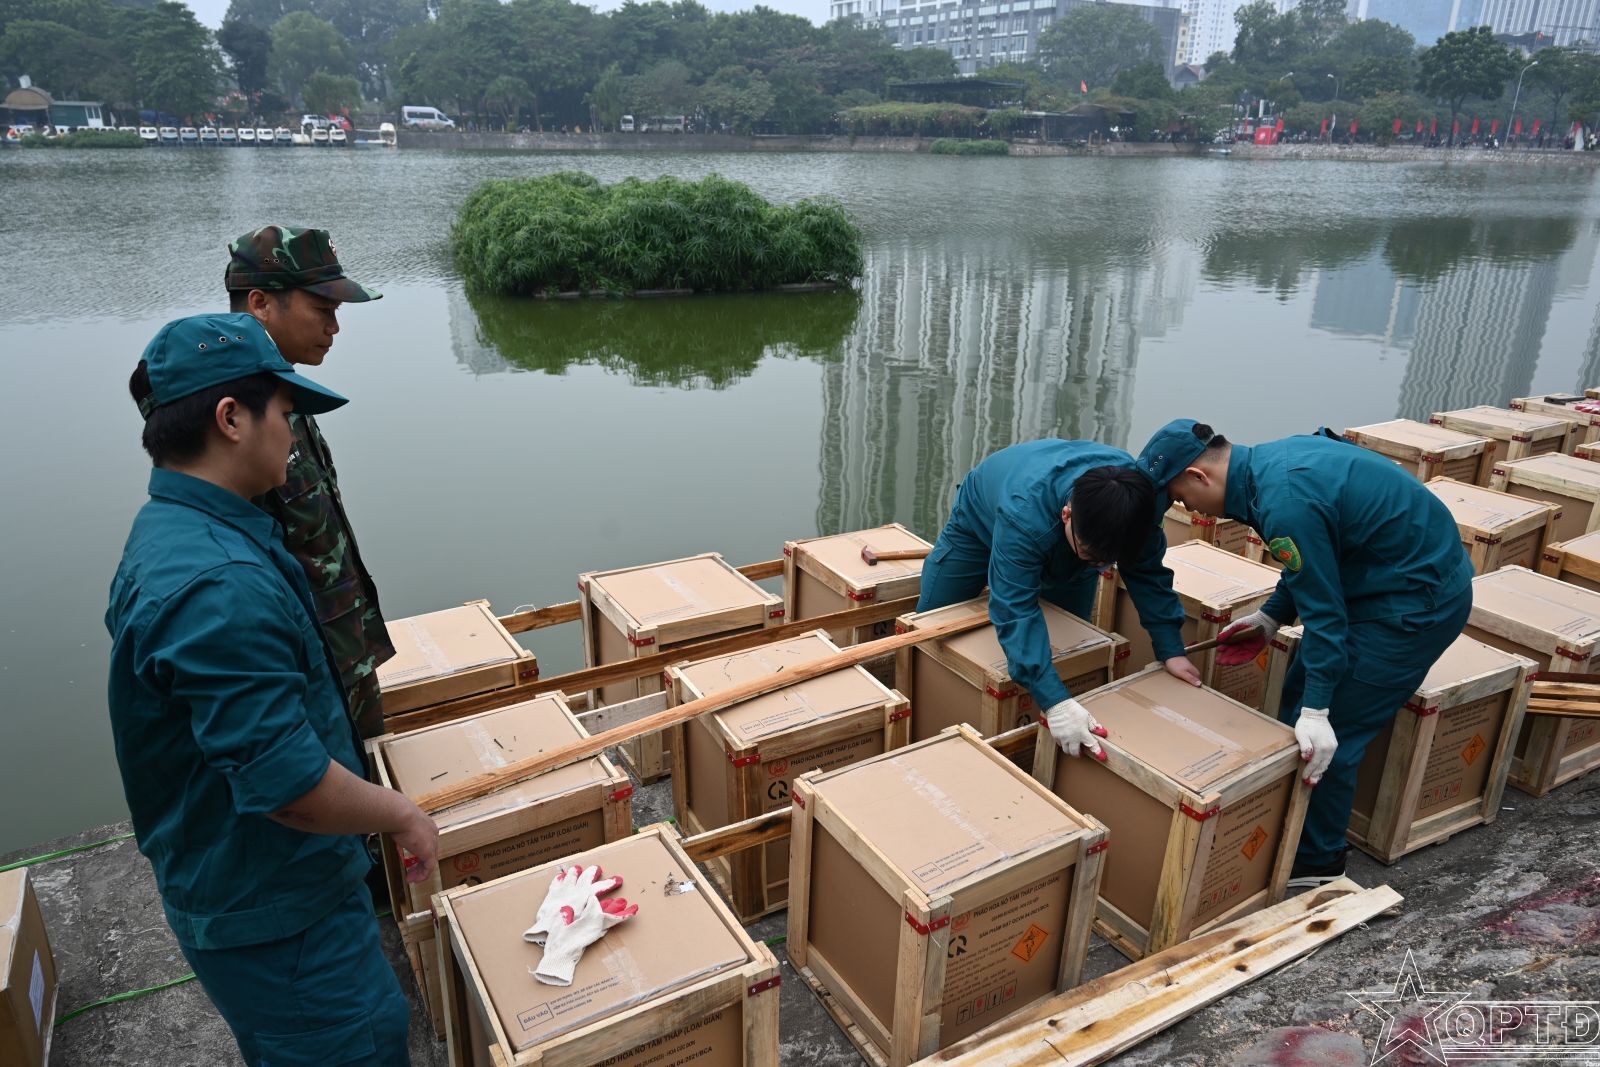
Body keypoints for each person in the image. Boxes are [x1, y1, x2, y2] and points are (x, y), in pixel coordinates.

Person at [107, 313, 436, 1066]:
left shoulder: (176, 531)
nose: (294, 435)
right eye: (286, 414)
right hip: (279, 912)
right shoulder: (218, 585)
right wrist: (401, 814)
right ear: (231, 419)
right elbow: (288, 785)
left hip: (258, 884)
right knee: (353, 1044)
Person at [1136, 420, 1472, 891]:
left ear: (1198, 476)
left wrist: (1318, 712)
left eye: (1179, 496)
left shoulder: (1284, 502)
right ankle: (1298, 826)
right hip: (1382, 580)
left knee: (1327, 739)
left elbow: (1326, 617)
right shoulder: (1270, 466)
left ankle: (1318, 864)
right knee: (1298, 700)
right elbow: (1315, 560)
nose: (1187, 508)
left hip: (1413, 606)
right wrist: (1270, 618)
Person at [917, 439, 1201, 761]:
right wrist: (1055, 703)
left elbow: (1148, 575)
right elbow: (1015, 609)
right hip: (982, 514)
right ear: (1067, 514)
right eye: (1092, 555)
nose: (1100, 566)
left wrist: (1171, 649)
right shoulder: (1024, 516)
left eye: (1108, 561)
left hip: (1070, 535)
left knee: (1070, 649)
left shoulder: (1138, 506)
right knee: (932, 619)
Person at [225, 225, 396, 743]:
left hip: (342, 660)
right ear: (260, 303)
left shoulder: (282, 393)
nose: (334, 327)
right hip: (305, 683)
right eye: (323, 310)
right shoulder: (233, 418)